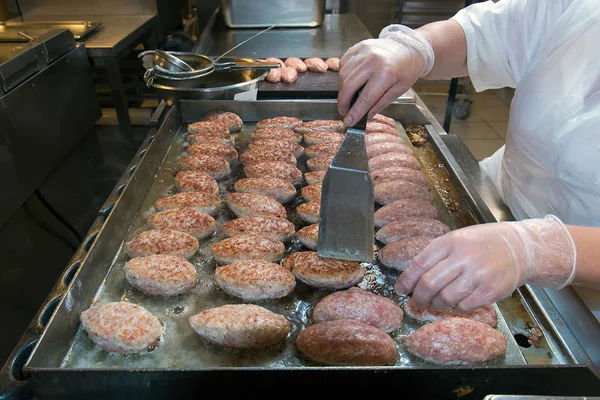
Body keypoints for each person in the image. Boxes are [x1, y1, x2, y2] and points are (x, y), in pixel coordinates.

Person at [337, 0, 600, 314]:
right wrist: (416, 49)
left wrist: (536, 249)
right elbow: (481, 36)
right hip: (494, 207)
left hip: (586, 298)